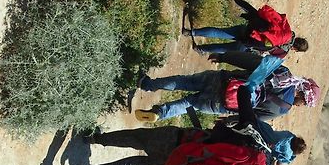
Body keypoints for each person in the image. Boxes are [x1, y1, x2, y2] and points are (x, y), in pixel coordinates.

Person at [48, 87, 307, 165]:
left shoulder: (254, 136)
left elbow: (242, 93)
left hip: (183, 142)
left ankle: (95, 138)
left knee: (137, 138)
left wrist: (254, 87)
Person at [134, 51, 318, 123]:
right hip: (223, 104)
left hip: (224, 80)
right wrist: (227, 122)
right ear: (302, 96)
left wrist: (224, 57)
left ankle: (147, 84)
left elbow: (250, 61)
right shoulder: (282, 109)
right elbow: (251, 118)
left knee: (184, 81)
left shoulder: (283, 72)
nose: (301, 106)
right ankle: (159, 113)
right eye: (304, 103)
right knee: (189, 103)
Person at [183, 0, 308, 58]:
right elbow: (266, 54)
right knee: (224, 48)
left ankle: (191, 32)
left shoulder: (287, 30)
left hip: (251, 28)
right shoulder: (283, 52)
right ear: (295, 49)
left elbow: (273, 18)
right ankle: (200, 49)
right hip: (250, 43)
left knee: (220, 32)